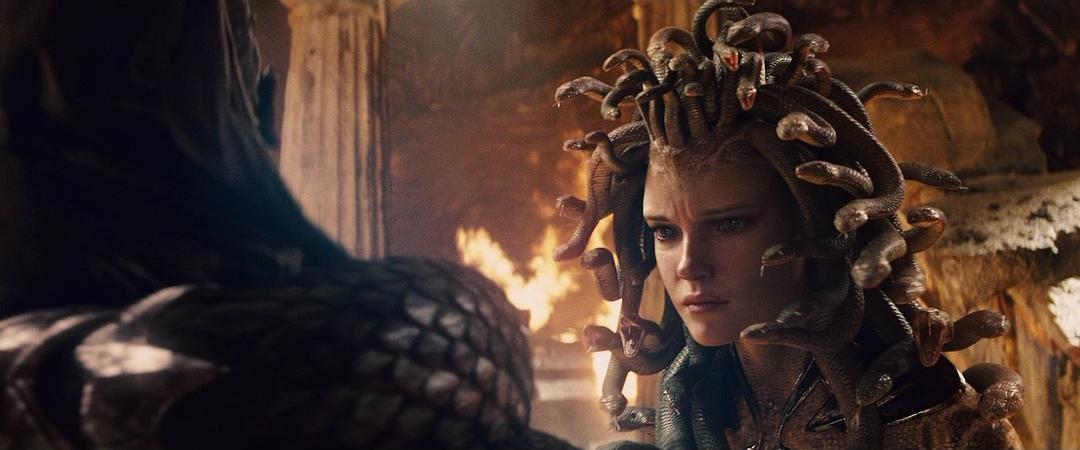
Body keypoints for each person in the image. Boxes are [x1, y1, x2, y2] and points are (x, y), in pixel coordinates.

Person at [553, 1, 1025, 448]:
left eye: (730, 224)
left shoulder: (936, 422)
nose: (689, 266)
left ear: (811, 221)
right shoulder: (696, 405)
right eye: (665, 232)